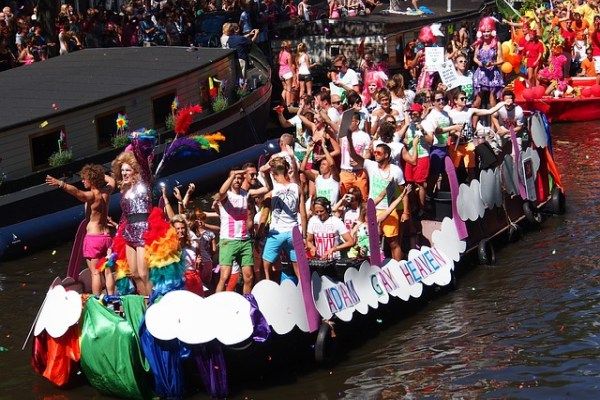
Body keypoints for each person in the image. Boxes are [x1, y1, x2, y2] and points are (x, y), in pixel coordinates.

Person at [46, 165, 116, 295]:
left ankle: (98, 304)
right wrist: (100, 175)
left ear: (92, 180)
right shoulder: (106, 192)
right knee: (107, 270)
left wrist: (61, 184)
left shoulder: (91, 196)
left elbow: (77, 192)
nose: (82, 181)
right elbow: (112, 180)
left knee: (95, 273)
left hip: (94, 239)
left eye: (85, 178)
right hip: (106, 237)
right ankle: (112, 298)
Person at [347, 119, 409, 261]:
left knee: (393, 243)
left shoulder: (396, 171)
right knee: (372, 243)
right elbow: (354, 156)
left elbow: (404, 192)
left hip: (389, 210)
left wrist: (405, 211)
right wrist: (349, 139)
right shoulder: (371, 165)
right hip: (372, 209)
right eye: (375, 152)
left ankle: (398, 269)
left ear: (386, 155)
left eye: (379, 153)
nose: (375, 155)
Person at [216, 168, 268, 294]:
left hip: (245, 240)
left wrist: (265, 173)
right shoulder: (225, 196)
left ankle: (247, 302)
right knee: (225, 276)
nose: (237, 180)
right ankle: (216, 304)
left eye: (239, 178)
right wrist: (232, 174)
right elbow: (221, 192)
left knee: (249, 277)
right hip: (228, 240)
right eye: (235, 178)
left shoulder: (246, 193)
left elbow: (267, 188)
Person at [112, 151, 152, 296]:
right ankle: (144, 303)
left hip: (143, 230)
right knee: (134, 274)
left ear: (135, 170)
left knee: (143, 273)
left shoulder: (144, 184)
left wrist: (138, 144)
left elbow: (145, 168)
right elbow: (125, 214)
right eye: (122, 170)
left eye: (127, 170)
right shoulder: (124, 190)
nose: (124, 173)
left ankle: (152, 304)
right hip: (129, 232)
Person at [472, 17, 504, 110]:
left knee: (492, 98)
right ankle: (473, 124)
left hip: (493, 73)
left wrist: (492, 64)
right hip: (481, 73)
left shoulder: (496, 44)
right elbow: (475, 58)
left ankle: (494, 124)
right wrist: (479, 62)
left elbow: (501, 60)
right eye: (484, 31)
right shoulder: (479, 43)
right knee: (478, 99)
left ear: (492, 32)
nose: (486, 33)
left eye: (488, 31)